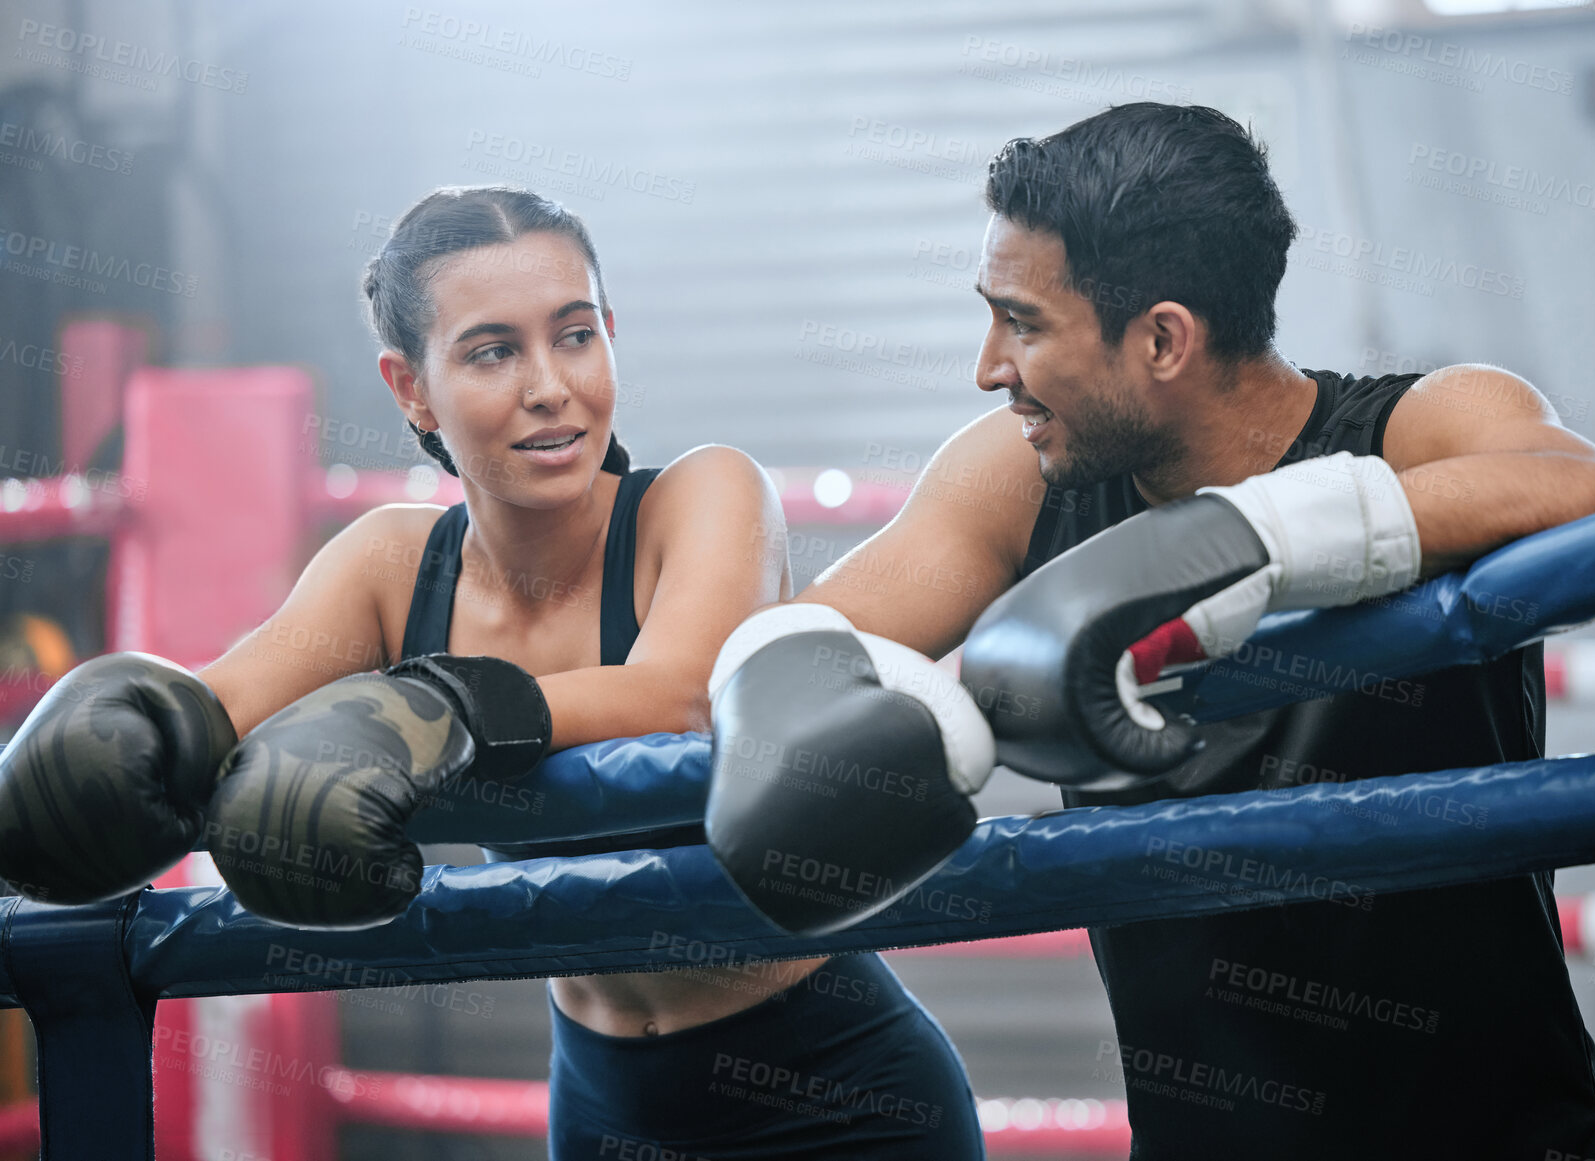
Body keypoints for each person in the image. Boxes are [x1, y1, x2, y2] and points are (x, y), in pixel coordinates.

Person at [707, 104, 1595, 1158]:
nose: (988, 366)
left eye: (1024, 322)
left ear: (1160, 339)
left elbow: (1578, 487)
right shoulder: (1020, 480)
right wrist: (858, 718)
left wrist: (1238, 544)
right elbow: (804, 640)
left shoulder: (1417, 426)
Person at [0, 186, 983, 1160]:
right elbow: (229, 700)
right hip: (605, 1112)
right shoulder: (391, 566)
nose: (549, 384)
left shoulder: (698, 499)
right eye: (493, 351)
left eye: (576, 335)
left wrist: (435, 707)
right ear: (410, 386)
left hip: (844, 1098)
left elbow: (682, 693)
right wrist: (136, 737)